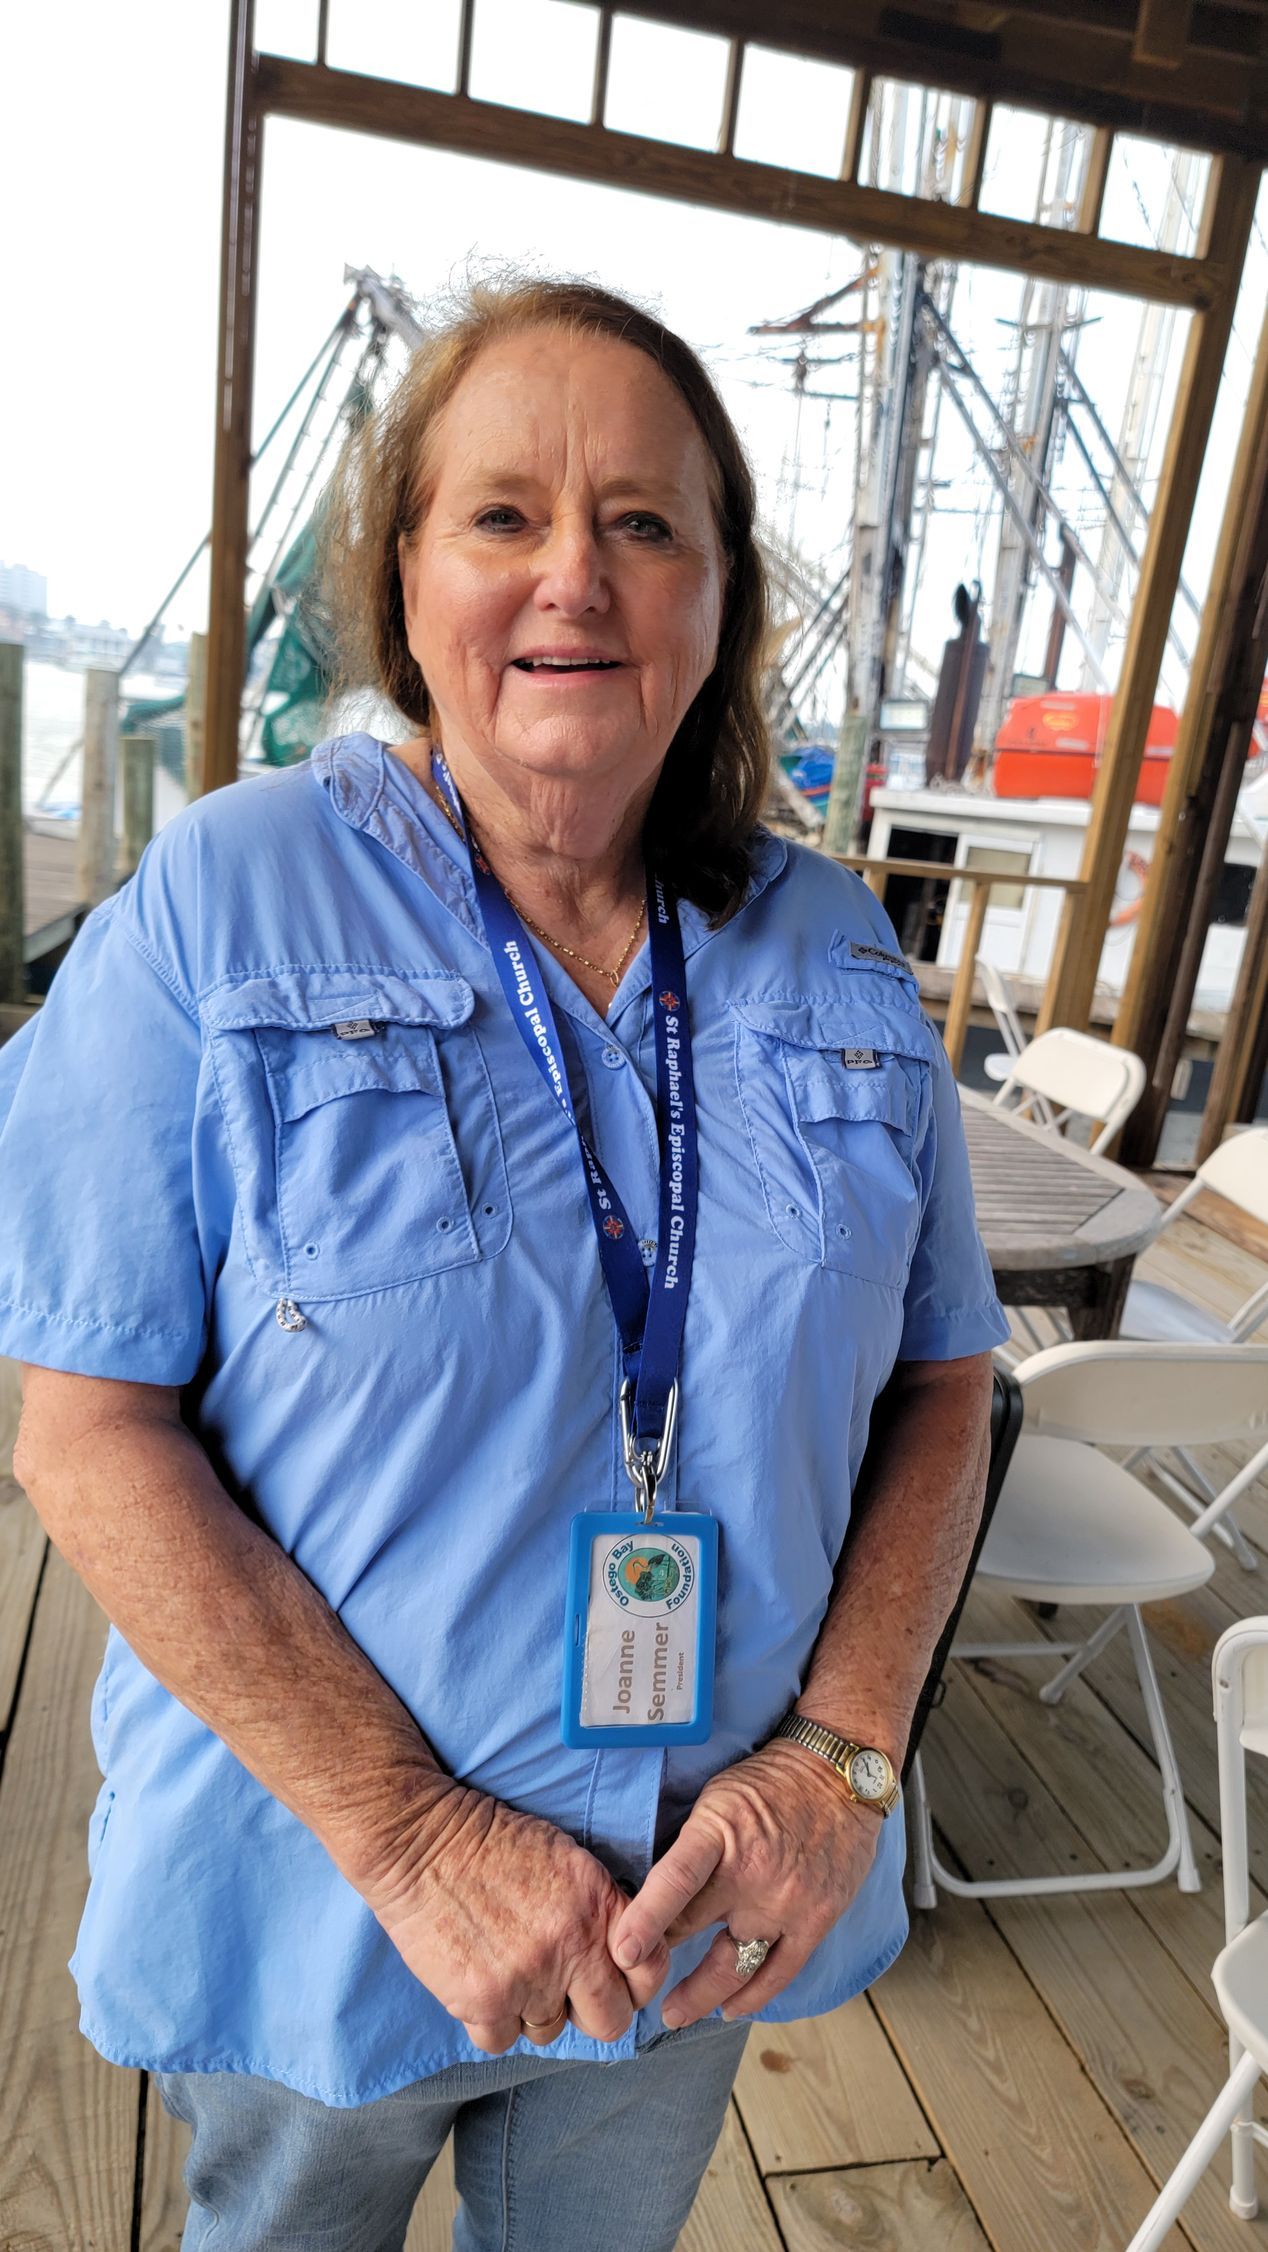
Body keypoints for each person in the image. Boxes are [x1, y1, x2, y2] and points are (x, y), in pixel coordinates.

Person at [0, 278, 1009, 2252]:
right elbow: (88, 1425)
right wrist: (415, 1833)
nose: (579, 575)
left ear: (720, 600)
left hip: (691, 1916)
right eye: (506, 516)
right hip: (325, 1898)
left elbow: (946, 1379)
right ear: (405, 577)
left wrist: (841, 1755)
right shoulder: (231, 895)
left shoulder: (837, 951)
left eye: (646, 523)